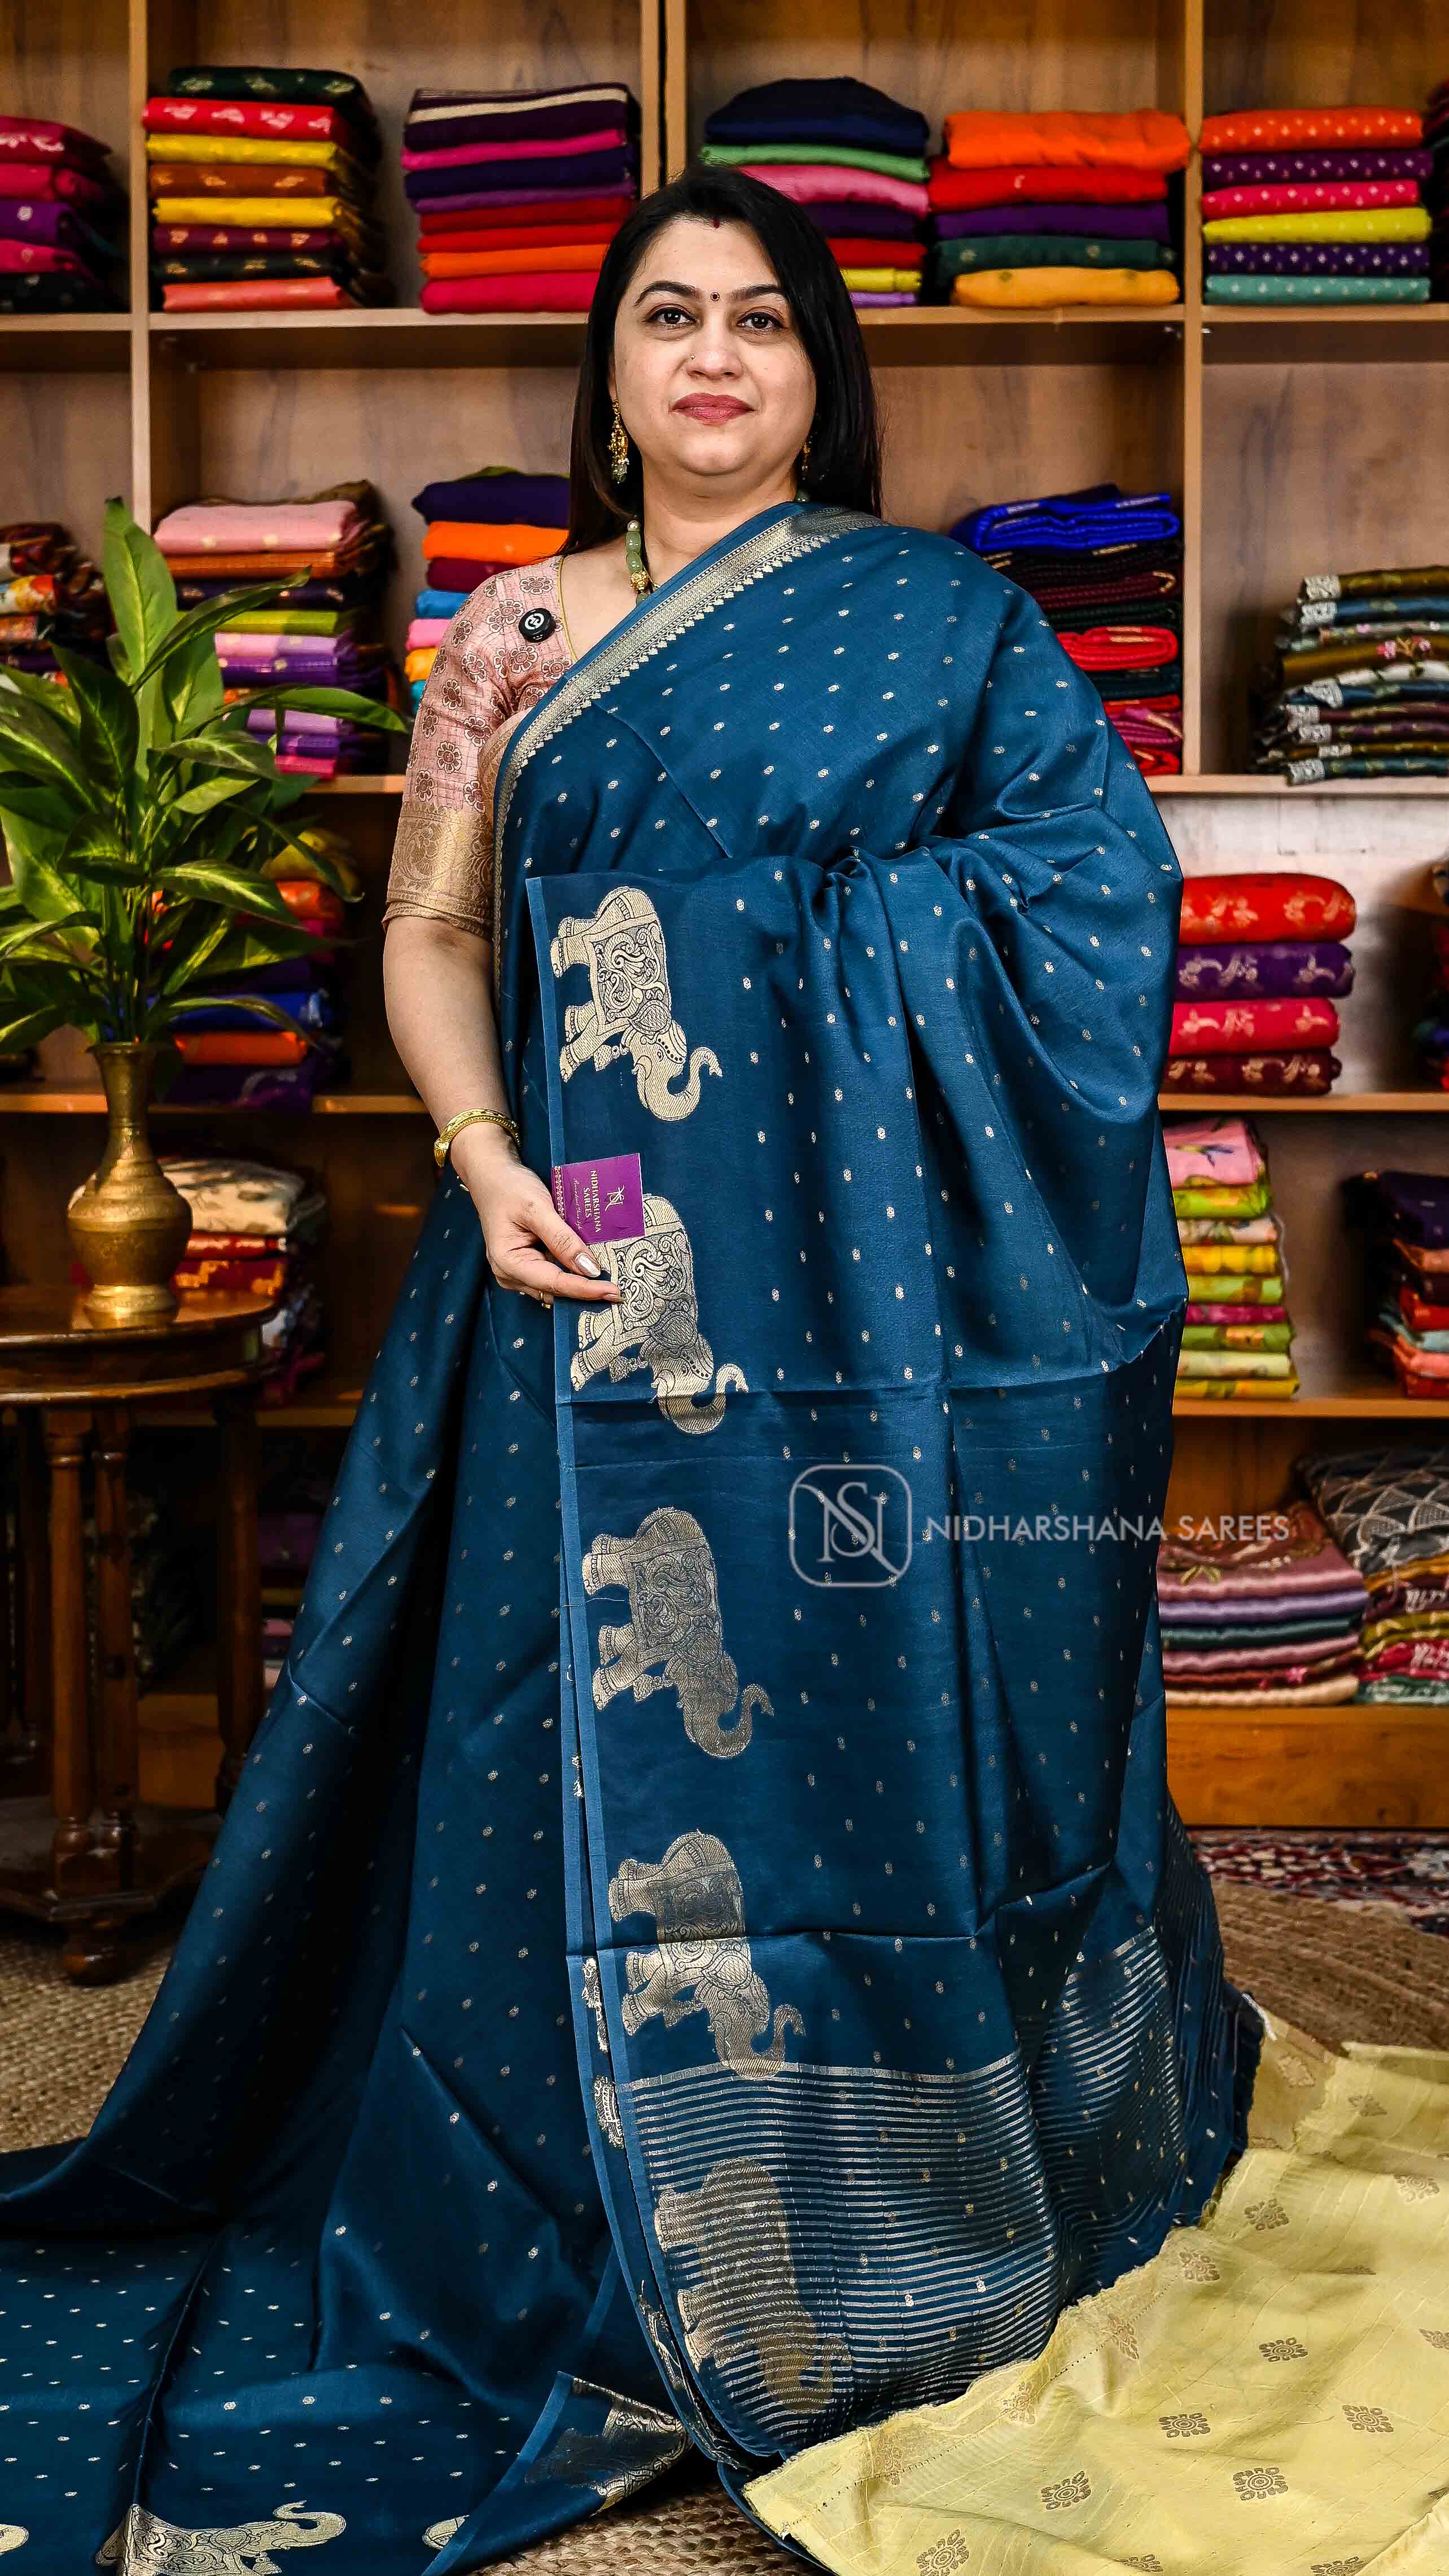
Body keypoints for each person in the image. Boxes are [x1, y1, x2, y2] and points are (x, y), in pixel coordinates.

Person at [0, 163, 1261, 2573]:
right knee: (530, 1743)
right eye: (670, 314)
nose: (713, 356)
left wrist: (782, 943)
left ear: (818, 370)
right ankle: (562, 2183)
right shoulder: (508, 635)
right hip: (572, 1287)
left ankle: (857, 2178)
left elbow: (1099, 900)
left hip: (861, 1323)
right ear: (605, 362)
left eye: (761, 320)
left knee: (863, 1699)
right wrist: (480, 1155)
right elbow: (430, 932)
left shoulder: (943, 622)